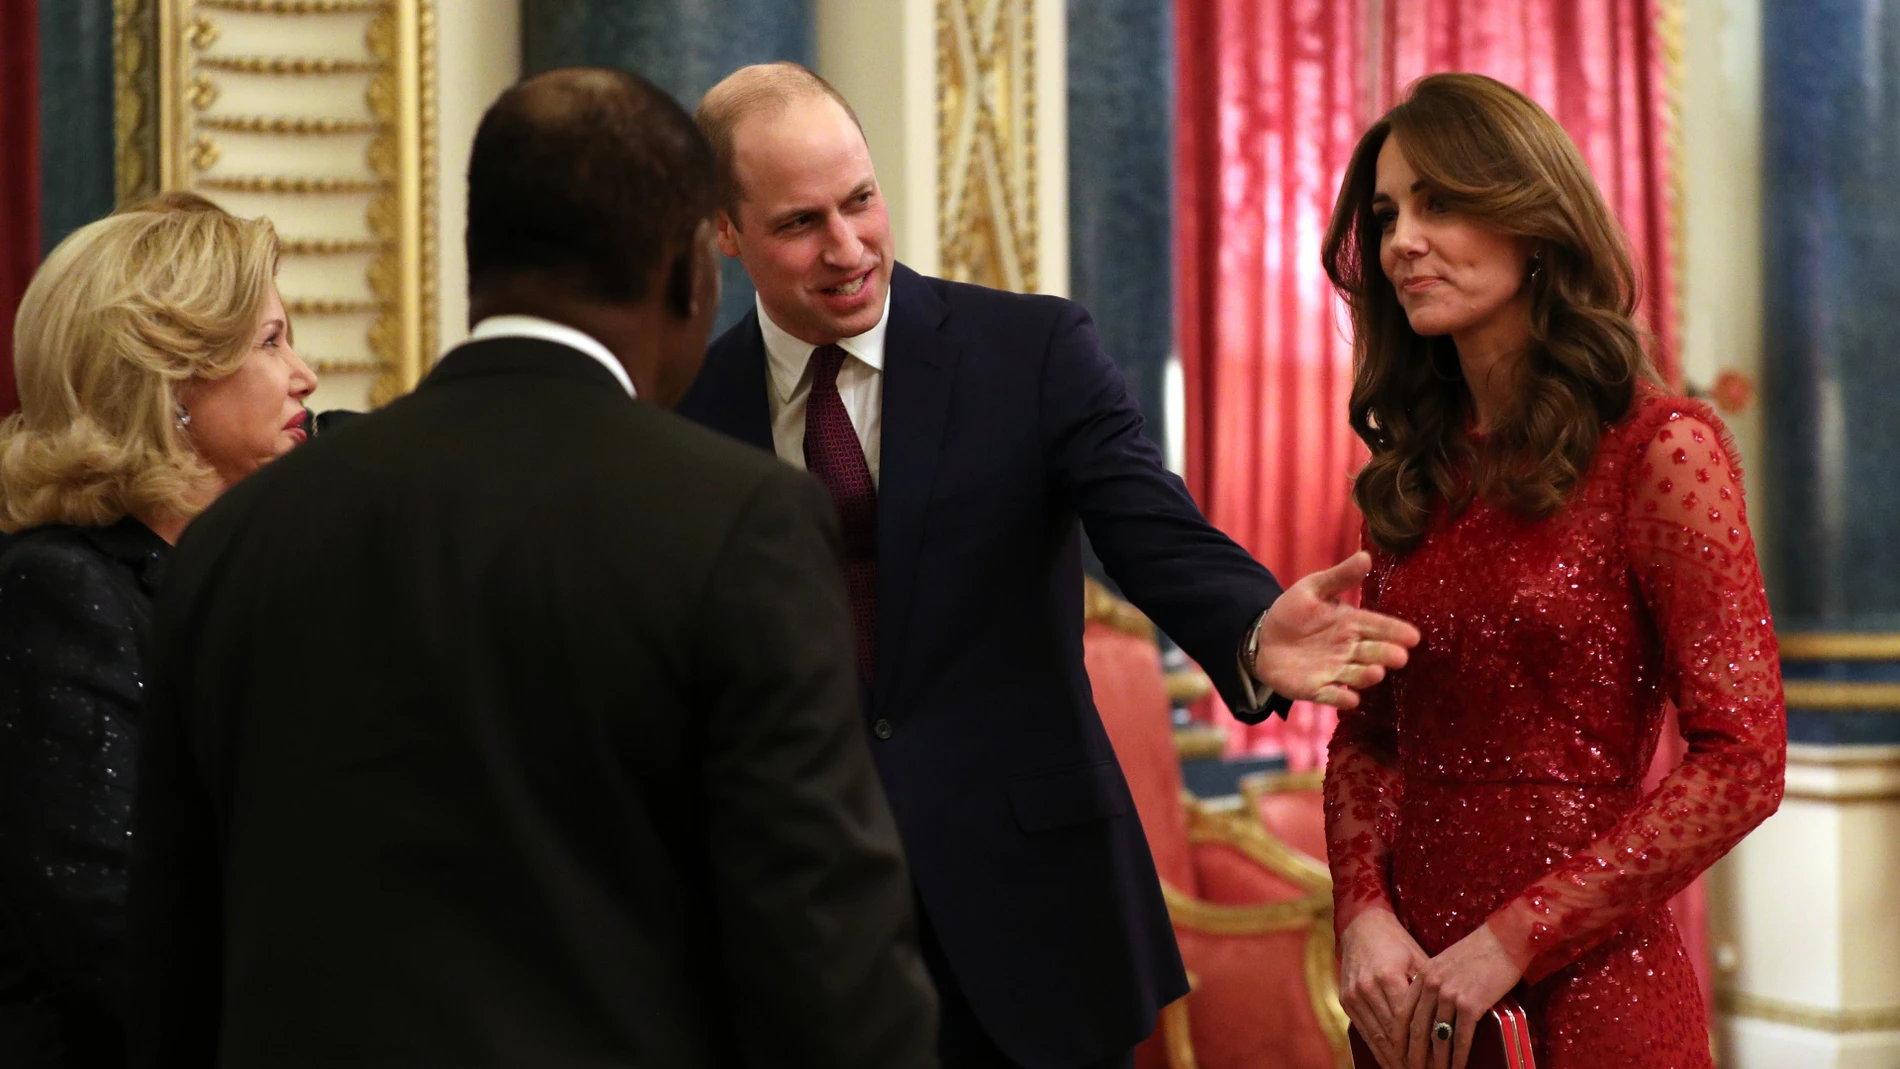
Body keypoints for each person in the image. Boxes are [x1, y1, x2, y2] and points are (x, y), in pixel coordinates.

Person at [124, 69, 937, 1069]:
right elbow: (829, 967)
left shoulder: (242, 534)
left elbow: (170, 958)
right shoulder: (743, 525)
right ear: (692, 271)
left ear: (480, 267)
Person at [678, 62, 1421, 1069]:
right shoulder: (681, 407)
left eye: (860, 201)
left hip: (1029, 917)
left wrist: (1248, 625)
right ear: (725, 230)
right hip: (797, 935)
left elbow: (1146, 520)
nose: (847, 248)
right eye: (799, 223)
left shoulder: (1025, 349)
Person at [1319, 73, 1786, 1069]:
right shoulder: (1413, 471)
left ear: (1532, 222)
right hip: (1414, 1011)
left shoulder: (1660, 449)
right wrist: (1360, 914)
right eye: (1389, 213)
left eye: (1440, 202)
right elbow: (1367, 737)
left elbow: (1743, 759)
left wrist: (1508, 941)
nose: (1402, 239)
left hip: (1595, 1000)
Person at [0, 192, 316, 1069]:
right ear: (172, 378)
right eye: (270, 341)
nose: (305, 375)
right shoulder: (60, 590)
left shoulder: (244, 575)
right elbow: (111, 930)